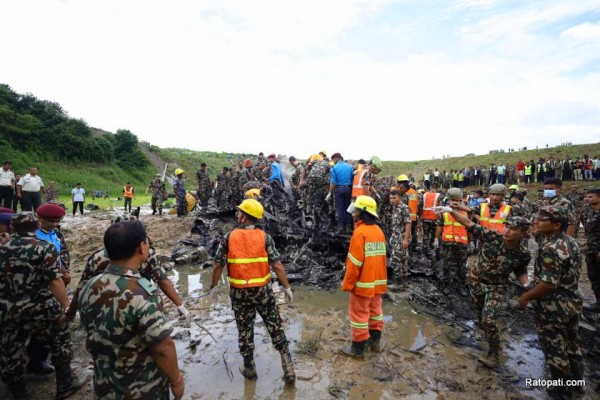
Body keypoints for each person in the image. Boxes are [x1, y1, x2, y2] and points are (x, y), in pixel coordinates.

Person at [78, 220, 185, 399]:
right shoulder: (142, 293)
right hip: (142, 388)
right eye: (146, 241)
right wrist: (176, 381)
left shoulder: (90, 286)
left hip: (104, 385)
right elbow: (163, 347)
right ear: (141, 248)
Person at [209, 199, 296, 383]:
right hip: (263, 293)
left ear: (244, 217)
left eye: (240, 212)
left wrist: (214, 287)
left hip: (240, 294)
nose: (237, 214)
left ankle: (250, 368)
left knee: (245, 330)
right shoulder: (265, 237)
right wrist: (286, 287)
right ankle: (288, 367)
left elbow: (218, 265)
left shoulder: (229, 237)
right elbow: (277, 265)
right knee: (275, 327)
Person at [0, 212, 83, 399]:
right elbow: (55, 281)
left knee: (11, 346)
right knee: (59, 340)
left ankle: (19, 392)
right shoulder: (44, 248)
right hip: (41, 305)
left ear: (12, 227)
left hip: (8, 307)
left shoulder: (3, 248)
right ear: (37, 226)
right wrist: (67, 307)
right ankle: (65, 385)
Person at [435, 203, 530, 361]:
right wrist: (451, 211)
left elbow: (520, 271)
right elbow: (469, 223)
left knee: (489, 319)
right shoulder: (492, 236)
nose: (507, 230)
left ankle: (494, 353)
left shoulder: (523, 254)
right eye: (506, 227)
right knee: (480, 315)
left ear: (524, 234)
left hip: (497, 287)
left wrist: (527, 285)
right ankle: (485, 334)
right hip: (476, 281)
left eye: (513, 229)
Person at [518, 206, 584, 399]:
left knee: (554, 349)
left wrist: (526, 296)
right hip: (572, 301)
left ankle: (560, 391)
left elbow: (549, 285)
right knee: (572, 345)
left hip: (553, 307)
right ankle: (578, 385)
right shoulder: (569, 241)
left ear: (556, 225)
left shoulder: (551, 249)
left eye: (541, 220)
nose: (535, 222)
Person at [66, 216, 188, 320]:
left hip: (132, 301)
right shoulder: (99, 258)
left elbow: (162, 280)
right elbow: (81, 289)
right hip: (112, 304)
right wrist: (70, 312)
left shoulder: (98, 258)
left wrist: (179, 304)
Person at [339, 195, 387, 359]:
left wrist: (347, 284)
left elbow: (354, 264)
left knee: (359, 316)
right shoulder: (379, 231)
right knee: (375, 312)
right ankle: (374, 344)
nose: (353, 214)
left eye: (356, 211)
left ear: (362, 213)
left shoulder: (360, 233)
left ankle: (357, 349)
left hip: (362, 285)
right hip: (377, 284)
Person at [434, 188, 470, 296]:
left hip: (462, 243)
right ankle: (446, 285)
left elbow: (470, 226)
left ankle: (461, 286)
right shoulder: (444, 211)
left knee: (462, 266)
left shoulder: (466, 211)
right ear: (449, 200)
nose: (455, 202)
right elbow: (440, 225)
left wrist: (472, 241)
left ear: (461, 200)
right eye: (453, 200)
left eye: (458, 200)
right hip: (448, 242)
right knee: (447, 265)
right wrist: (436, 238)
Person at [387, 190, 412, 286]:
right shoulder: (395, 208)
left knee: (397, 260)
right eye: (390, 198)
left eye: (394, 198)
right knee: (400, 259)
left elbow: (408, 224)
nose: (392, 200)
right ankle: (401, 282)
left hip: (401, 238)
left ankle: (398, 283)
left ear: (399, 198)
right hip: (395, 237)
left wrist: (405, 239)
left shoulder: (404, 208)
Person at [582, 187, 600, 311]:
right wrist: (587, 244)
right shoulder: (590, 211)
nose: (587, 199)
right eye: (587, 196)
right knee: (593, 276)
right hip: (592, 250)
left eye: (591, 196)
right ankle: (598, 303)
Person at [327, 153, 353, 232]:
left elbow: (333, 182)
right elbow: (351, 179)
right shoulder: (350, 167)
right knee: (348, 208)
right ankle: (348, 226)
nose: (333, 161)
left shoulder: (334, 168)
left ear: (336, 158)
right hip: (348, 189)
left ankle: (341, 227)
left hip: (338, 190)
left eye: (333, 160)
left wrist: (330, 192)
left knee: (340, 208)